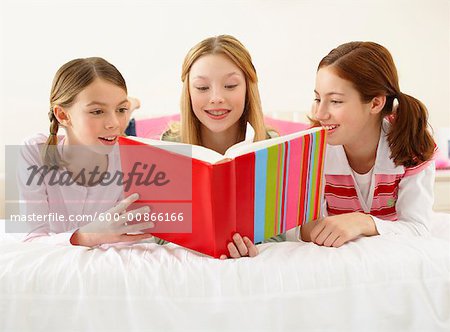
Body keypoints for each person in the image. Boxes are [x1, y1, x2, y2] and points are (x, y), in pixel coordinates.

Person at [300, 41, 436, 247]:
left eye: (335, 101)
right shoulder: (311, 151)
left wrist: (363, 222)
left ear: (375, 103)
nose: (320, 114)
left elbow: (417, 228)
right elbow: (303, 229)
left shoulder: (412, 146)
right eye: (318, 99)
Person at [162, 35, 280, 258]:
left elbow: (278, 231)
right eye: (202, 87)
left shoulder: (270, 144)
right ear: (188, 92)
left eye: (230, 86)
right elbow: (160, 231)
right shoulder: (169, 144)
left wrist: (251, 244)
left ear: (247, 88)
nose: (216, 98)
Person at [18, 57, 153, 247]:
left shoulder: (131, 158)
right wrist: (89, 236)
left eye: (120, 109)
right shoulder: (34, 152)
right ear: (63, 115)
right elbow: (32, 240)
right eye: (97, 111)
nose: (114, 122)